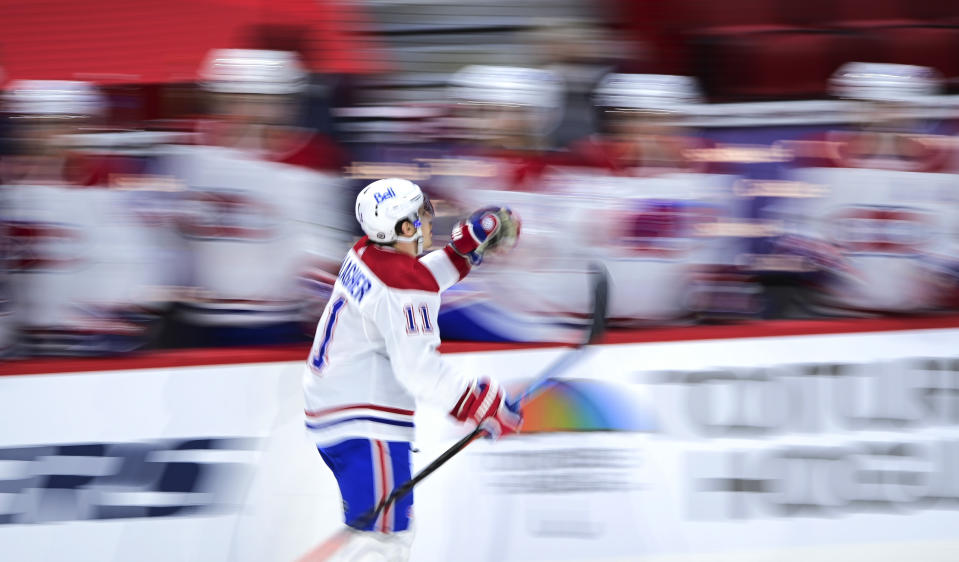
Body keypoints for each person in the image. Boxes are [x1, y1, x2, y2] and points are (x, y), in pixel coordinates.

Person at [303, 178, 522, 561]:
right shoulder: (402, 287)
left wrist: (462, 252)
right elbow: (418, 369)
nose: (428, 216)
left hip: (335, 413)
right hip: (365, 423)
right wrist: (480, 403)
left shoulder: (366, 253)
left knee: (382, 531)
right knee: (382, 542)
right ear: (404, 228)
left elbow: (415, 281)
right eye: (422, 212)